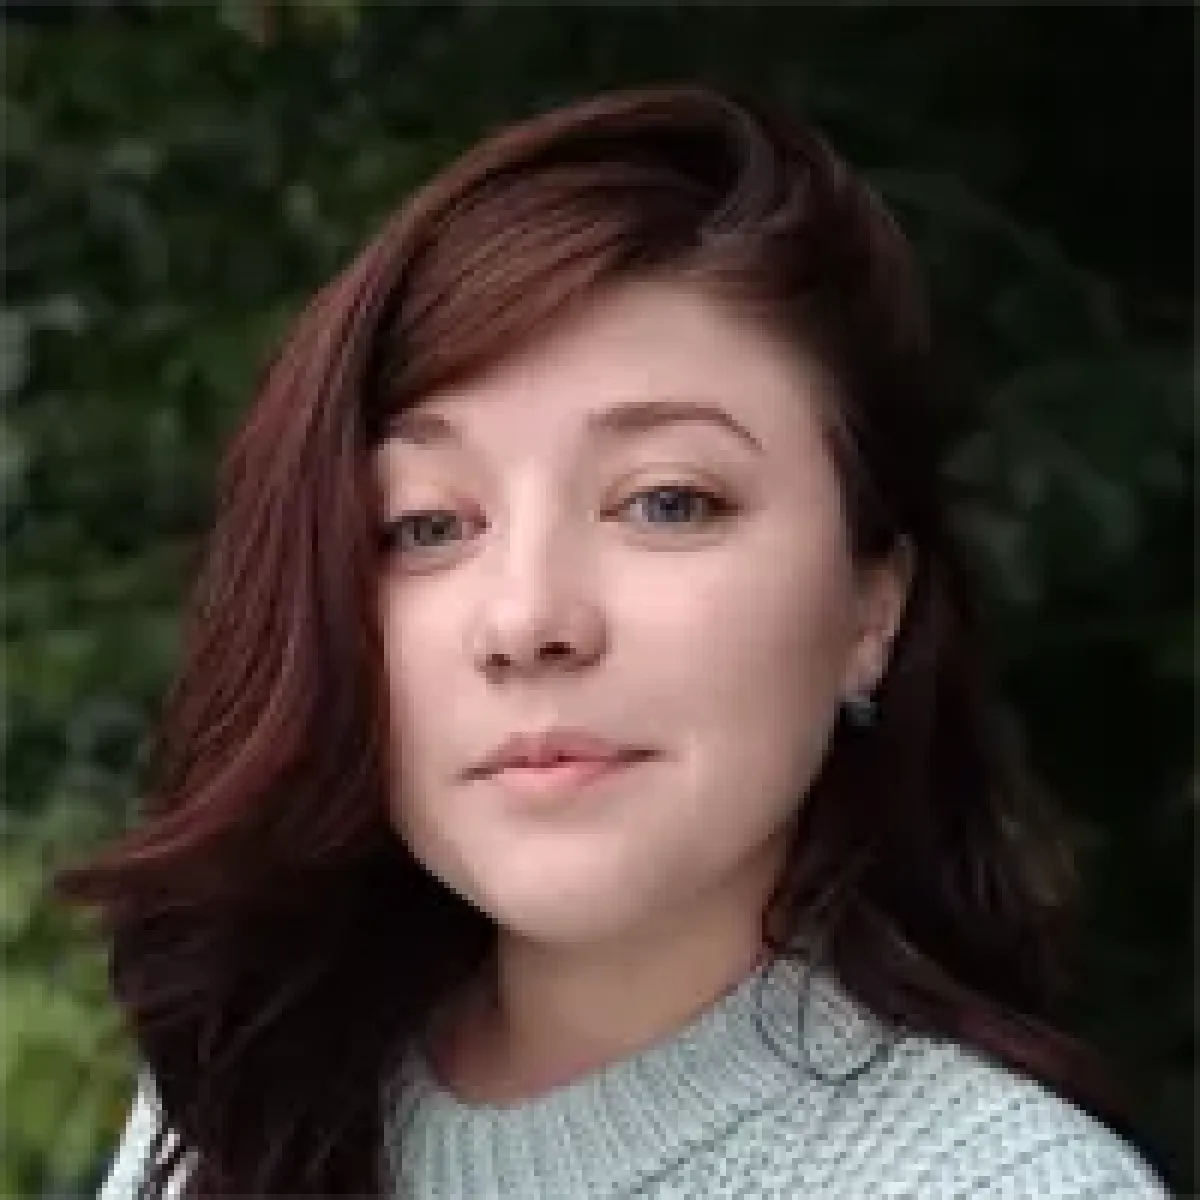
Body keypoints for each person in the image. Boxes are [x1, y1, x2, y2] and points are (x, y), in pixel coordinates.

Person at [59, 86, 1171, 1198]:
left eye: (667, 503)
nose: (527, 621)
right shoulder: (239, 1101)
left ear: (872, 611)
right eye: (428, 525)